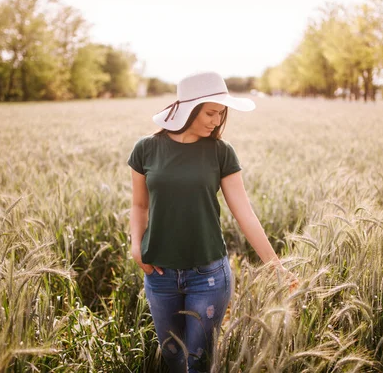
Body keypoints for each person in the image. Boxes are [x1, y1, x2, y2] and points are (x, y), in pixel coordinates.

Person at [127, 71, 297, 373]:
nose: (216, 121)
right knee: (172, 358)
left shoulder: (221, 152)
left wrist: (276, 266)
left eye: (221, 114)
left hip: (207, 276)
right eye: (210, 113)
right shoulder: (146, 149)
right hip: (160, 274)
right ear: (189, 108)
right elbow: (139, 205)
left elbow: (244, 212)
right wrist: (136, 248)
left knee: (198, 361)